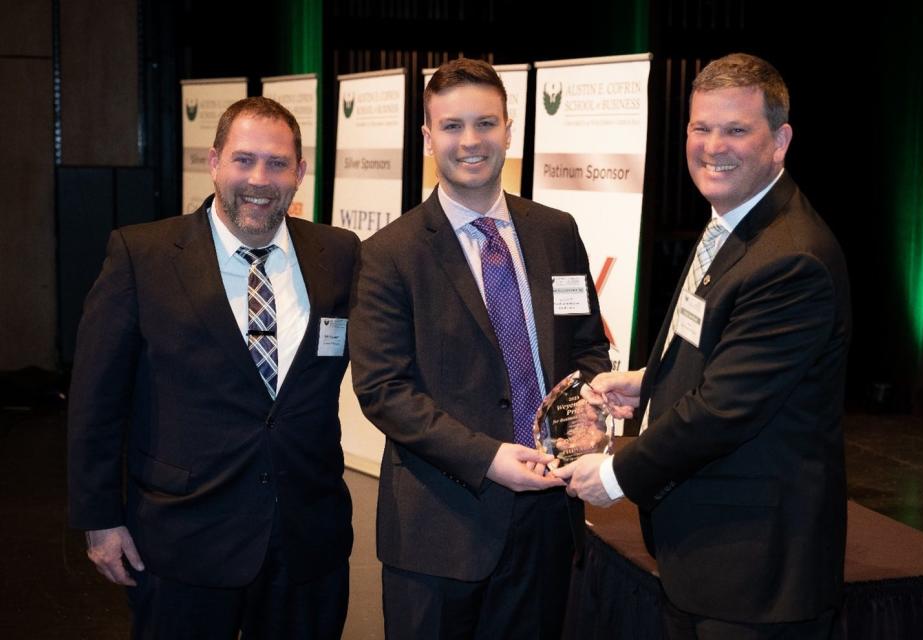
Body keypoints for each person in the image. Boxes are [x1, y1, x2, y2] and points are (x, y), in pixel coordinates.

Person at [556, 53, 851, 639]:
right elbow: (720, 350)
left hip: (754, 573)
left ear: (780, 140)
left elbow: (723, 410)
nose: (714, 144)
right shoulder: (732, 220)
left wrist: (615, 474)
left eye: (737, 129)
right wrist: (649, 383)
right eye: (701, 127)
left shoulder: (791, 258)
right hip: (709, 551)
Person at [68, 97, 359, 639]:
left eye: (276, 163)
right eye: (243, 160)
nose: (259, 179)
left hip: (306, 540)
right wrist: (100, 518)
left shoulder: (340, 254)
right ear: (214, 161)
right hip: (184, 540)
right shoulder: (142, 254)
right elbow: (95, 401)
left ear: (300, 172)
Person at [348, 57, 610, 639]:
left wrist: (586, 411)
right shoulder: (391, 253)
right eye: (452, 126)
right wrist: (489, 458)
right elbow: (384, 391)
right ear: (427, 137)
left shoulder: (556, 232)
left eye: (485, 124)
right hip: (441, 529)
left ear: (509, 130)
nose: (471, 141)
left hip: (549, 517)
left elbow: (588, 345)